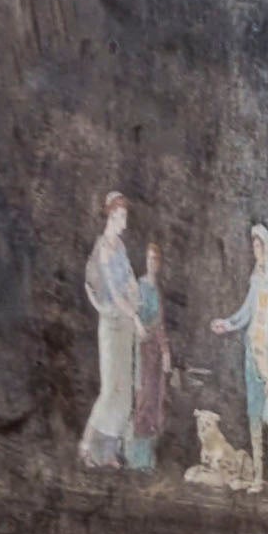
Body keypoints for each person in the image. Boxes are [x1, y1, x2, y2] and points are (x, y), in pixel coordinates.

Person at [211, 222, 268, 498]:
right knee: (254, 418)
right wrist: (227, 324)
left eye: (259, 245)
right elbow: (245, 313)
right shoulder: (255, 279)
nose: (256, 250)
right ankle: (258, 477)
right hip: (251, 354)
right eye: (253, 246)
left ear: (267, 248)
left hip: (267, 361)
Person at [80, 193, 140, 468]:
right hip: (113, 322)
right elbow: (115, 294)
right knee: (109, 390)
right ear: (110, 217)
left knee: (124, 392)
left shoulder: (121, 248)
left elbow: (129, 282)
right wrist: (135, 317)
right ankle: (86, 445)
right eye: (120, 218)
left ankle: (108, 452)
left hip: (125, 321)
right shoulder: (103, 250)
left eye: (125, 218)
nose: (123, 224)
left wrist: (133, 296)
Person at [127, 244, 171, 473]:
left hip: (155, 349)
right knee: (143, 397)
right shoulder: (140, 285)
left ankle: (147, 457)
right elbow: (132, 313)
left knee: (155, 400)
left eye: (156, 259)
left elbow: (160, 324)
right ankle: (135, 456)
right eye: (150, 258)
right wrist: (139, 329)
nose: (153, 262)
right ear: (146, 261)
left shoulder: (157, 289)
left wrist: (165, 351)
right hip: (142, 348)